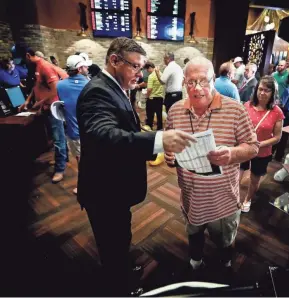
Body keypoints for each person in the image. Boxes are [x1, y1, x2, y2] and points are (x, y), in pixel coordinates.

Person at [76, 37, 195, 296]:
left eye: (141, 68)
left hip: (114, 187)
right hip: (104, 191)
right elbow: (103, 135)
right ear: (114, 60)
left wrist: (141, 135)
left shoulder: (112, 87)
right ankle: (118, 287)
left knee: (120, 239)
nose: (139, 74)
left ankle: (120, 270)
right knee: (111, 244)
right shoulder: (98, 90)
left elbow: (120, 128)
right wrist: (158, 139)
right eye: (135, 67)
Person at [164, 56, 259, 273]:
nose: (197, 88)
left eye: (203, 81)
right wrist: (170, 156)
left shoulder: (235, 110)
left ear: (214, 79)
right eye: (190, 82)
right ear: (184, 82)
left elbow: (253, 147)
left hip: (222, 198)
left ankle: (225, 265)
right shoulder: (175, 111)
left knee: (225, 241)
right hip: (190, 195)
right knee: (194, 234)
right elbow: (171, 144)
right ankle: (195, 262)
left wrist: (232, 154)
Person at [19, 47, 69, 182]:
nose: (22, 63)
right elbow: (37, 86)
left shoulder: (45, 67)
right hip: (46, 106)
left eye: (23, 59)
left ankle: (60, 168)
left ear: (28, 55)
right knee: (57, 136)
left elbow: (55, 89)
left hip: (53, 107)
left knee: (58, 138)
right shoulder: (37, 67)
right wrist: (28, 101)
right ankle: (64, 158)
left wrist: (39, 102)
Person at [240, 76, 284, 212]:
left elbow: (277, 138)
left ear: (272, 93)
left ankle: (248, 199)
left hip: (262, 151)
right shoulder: (247, 105)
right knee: (237, 175)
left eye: (266, 90)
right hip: (244, 148)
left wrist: (259, 144)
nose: (262, 93)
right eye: (260, 89)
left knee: (254, 178)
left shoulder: (277, 112)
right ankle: (233, 197)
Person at [56, 55, 89, 194]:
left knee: (80, 159)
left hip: (73, 132)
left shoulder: (60, 85)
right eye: (85, 66)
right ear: (80, 68)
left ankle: (85, 185)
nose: (87, 68)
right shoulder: (91, 84)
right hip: (91, 131)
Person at [146, 61, 164, 130]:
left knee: (150, 115)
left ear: (150, 68)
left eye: (147, 69)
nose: (147, 71)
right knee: (159, 115)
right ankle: (160, 130)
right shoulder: (161, 74)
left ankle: (149, 129)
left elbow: (149, 89)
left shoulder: (151, 76)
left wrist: (147, 96)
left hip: (152, 98)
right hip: (160, 98)